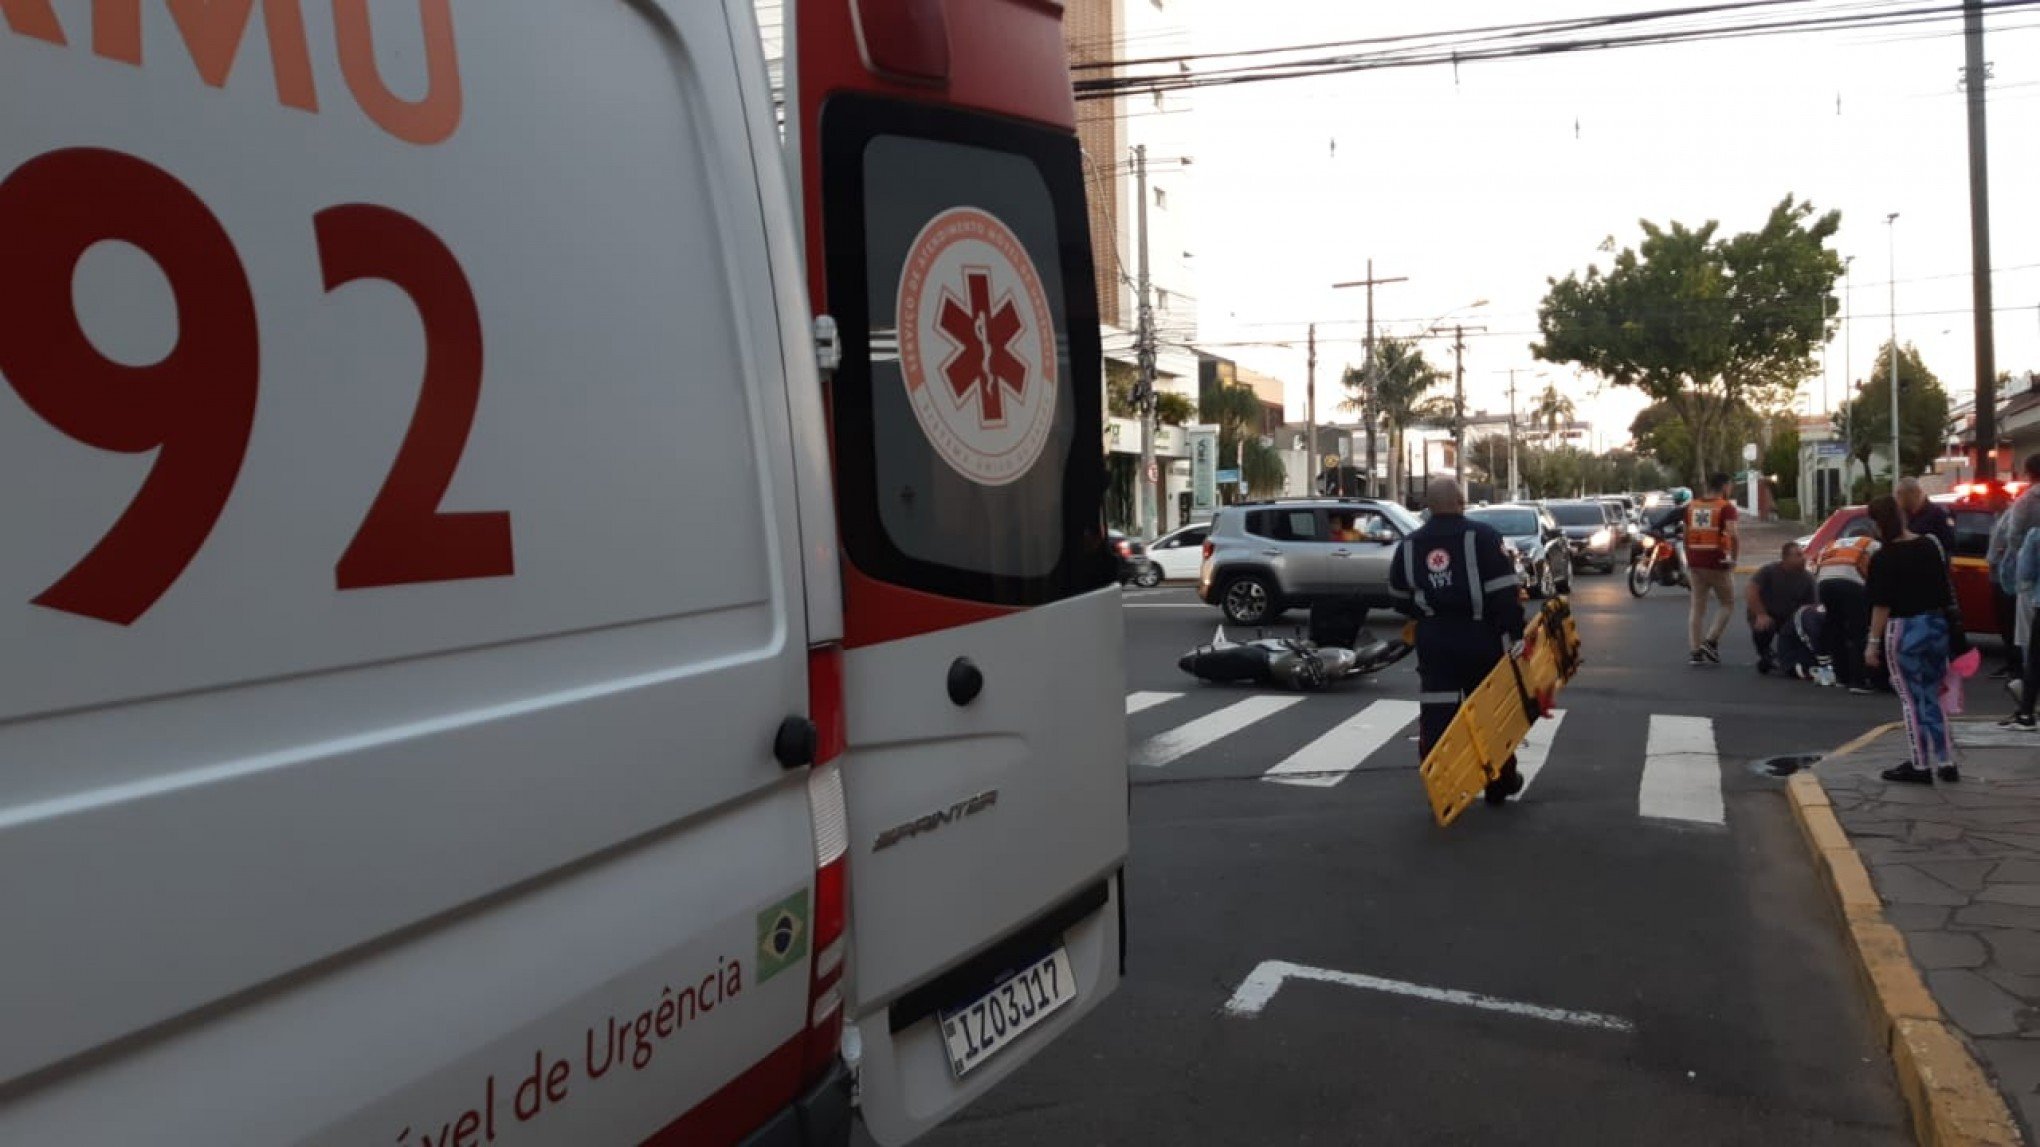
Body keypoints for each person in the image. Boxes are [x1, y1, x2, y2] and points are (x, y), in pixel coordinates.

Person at [1390, 477, 1528, 805]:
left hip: (1435, 640)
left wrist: (1426, 614)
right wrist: (1515, 634)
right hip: (1479, 636)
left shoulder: (1408, 545)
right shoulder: (1483, 538)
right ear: (1461, 501)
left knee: (1437, 714)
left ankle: (1442, 785)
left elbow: (1397, 597)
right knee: (1490, 715)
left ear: (1428, 505)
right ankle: (1499, 781)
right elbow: (1505, 593)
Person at [1862, 495, 1959, 784]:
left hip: (1904, 629)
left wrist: (1872, 643)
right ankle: (1946, 760)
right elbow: (1945, 588)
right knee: (1934, 694)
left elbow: (1881, 605)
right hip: (1936, 625)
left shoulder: (1883, 556)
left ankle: (1919, 764)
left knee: (1911, 698)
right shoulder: (1930, 545)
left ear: (1878, 523)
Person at [1814, 528, 1880, 692]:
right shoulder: (1870, 543)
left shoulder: (1833, 545)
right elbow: (1882, 568)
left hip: (1825, 585)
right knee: (1858, 631)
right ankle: (1858, 681)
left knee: (1836, 628)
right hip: (1851, 584)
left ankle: (1841, 677)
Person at [1684, 474, 1740, 666]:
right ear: (1724, 486)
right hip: (1717, 563)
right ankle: (1711, 640)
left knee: (1697, 608)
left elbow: (1686, 535)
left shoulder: (1691, 506)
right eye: (1730, 486)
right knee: (1728, 603)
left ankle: (1695, 651)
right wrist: (1734, 558)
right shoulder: (1726, 508)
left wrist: (1689, 558)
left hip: (1695, 562)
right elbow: (1733, 534)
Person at [1745, 542, 1817, 676]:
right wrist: (1761, 614)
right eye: (1798, 555)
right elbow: (1751, 590)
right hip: (1767, 614)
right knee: (1764, 626)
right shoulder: (1769, 571)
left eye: (1803, 555)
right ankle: (1765, 653)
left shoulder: (1807, 578)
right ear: (1786, 558)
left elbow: (1812, 606)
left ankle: (1788, 659)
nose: (1804, 558)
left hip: (1789, 619)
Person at [1898, 476, 1956, 562]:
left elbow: (1949, 543)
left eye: (1900, 495)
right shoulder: (1903, 514)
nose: (1899, 500)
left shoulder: (1937, 514)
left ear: (1913, 494)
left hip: (1929, 566)